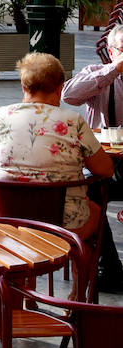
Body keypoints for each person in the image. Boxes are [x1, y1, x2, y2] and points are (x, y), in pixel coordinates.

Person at [0, 53, 113, 293]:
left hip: (5, 218)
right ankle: (77, 296)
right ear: (60, 87)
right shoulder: (73, 122)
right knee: (95, 210)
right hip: (60, 222)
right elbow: (105, 169)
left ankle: (15, 290)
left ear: (23, 85)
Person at [61, 26, 123, 289]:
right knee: (90, 193)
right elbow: (69, 95)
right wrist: (114, 70)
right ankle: (108, 270)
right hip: (107, 160)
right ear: (111, 52)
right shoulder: (98, 75)